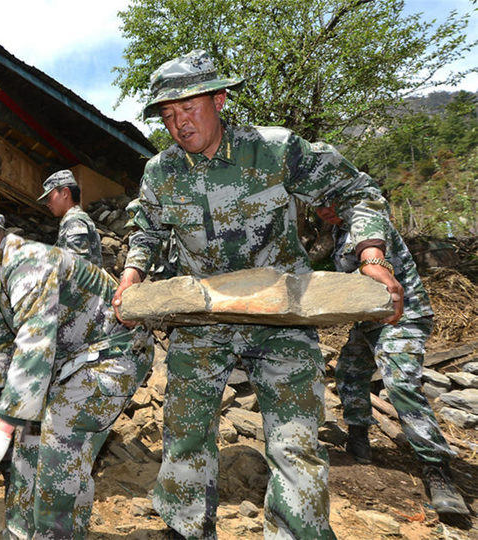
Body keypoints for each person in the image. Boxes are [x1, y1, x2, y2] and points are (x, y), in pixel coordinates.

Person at [112, 50, 403, 539]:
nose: (179, 124)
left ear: (220, 98)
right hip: (202, 319)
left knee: (295, 444)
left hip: (282, 318)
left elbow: (357, 192)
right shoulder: (160, 173)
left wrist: (371, 256)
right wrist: (132, 274)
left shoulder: (274, 149)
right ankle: (185, 529)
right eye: (168, 115)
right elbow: (147, 231)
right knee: (184, 434)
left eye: (189, 108)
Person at [0, 201, 152, 539]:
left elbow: (34, 346)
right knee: (28, 440)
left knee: (60, 442)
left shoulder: (28, 263)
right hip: (69, 361)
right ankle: (20, 532)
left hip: (115, 353)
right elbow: (5, 340)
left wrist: (1, 428)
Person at [316, 205, 469, 516]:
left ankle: (437, 469)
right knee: (348, 373)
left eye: (330, 203)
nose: (325, 210)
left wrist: (374, 266)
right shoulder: (337, 231)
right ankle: (359, 439)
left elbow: (374, 258)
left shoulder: (365, 218)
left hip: (404, 316)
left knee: (399, 382)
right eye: (319, 206)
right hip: (370, 321)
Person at [37, 169, 103, 266]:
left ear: (65, 193)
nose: (47, 204)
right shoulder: (74, 219)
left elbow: (78, 266)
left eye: (49, 197)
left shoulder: (74, 221)